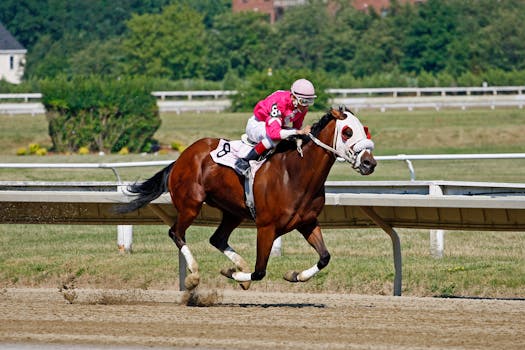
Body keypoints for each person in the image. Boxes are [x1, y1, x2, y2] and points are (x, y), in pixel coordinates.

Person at [234, 78, 316, 176]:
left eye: (309, 102)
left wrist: (299, 134)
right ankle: (244, 161)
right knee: (273, 140)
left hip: (275, 125)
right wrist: (298, 132)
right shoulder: (279, 102)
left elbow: (297, 127)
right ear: (294, 97)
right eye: (303, 101)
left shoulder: (302, 109)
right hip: (257, 124)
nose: (305, 106)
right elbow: (274, 134)